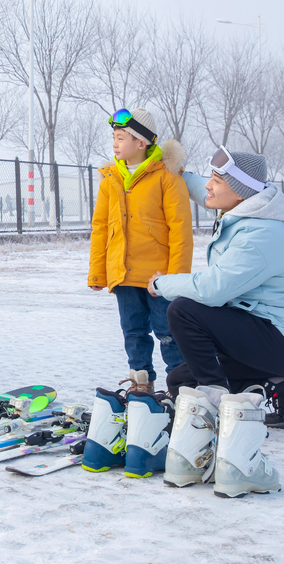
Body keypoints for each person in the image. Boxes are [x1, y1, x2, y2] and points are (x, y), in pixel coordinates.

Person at [148, 147, 284, 430]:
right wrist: (179, 172)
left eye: (217, 180)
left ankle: (213, 399)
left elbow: (213, 289)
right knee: (179, 380)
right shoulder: (247, 207)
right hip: (269, 335)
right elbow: (209, 192)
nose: (208, 185)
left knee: (183, 311)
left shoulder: (261, 233)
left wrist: (161, 283)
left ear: (239, 191)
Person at [88, 108, 193, 393]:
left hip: (158, 277)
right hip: (123, 274)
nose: (114, 143)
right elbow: (100, 228)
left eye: (121, 137)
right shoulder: (111, 179)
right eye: (113, 137)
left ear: (141, 142)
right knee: (133, 333)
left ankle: (181, 386)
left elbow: (180, 230)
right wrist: (98, 271)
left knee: (168, 333)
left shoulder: (167, 177)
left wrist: (177, 276)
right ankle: (141, 384)